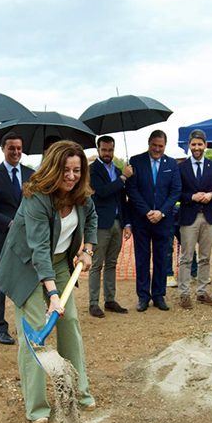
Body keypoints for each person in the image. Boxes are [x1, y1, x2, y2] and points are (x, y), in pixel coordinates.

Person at [0, 140, 97, 423]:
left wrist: (87, 249)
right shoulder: (36, 198)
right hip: (27, 266)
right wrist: (53, 294)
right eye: (66, 170)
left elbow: (91, 218)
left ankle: (79, 392)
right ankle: (37, 406)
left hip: (61, 261)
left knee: (70, 323)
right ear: (54, 168)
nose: (72, 176)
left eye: (77, 170)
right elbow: (39, 249)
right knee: (35, 332)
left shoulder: (81, 195)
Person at [0, 132, 34, 345]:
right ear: (3, 149)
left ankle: (29, 324)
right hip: (1, 239)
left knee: (28, 282)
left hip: (28, 239)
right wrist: (8, 223)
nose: (16, 152)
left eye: (19, 148)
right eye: (11, 148)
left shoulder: (32, 175)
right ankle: (0, 329)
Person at [125, 129, 181, 312]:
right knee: (142, 259)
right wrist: (147, 211)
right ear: (149, 143)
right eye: (154, 145)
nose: (157, 149)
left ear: (165, 145)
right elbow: (132, 190)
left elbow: (175, 191)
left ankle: (159, 295)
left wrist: (161, 212)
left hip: (163, 221)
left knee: (161, 259)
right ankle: (143, 297)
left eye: (161, 146)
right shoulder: (136, 161)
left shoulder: (172, 164)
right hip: (142, 220)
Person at [177, 129, 212, 309]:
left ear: (205, 145)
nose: (197, 147)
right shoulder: (181, 168)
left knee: (205, 257)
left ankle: (202, 292)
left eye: (200, 144)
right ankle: (184, 294)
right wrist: (191, 197)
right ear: (189, 146)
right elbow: (177, 193)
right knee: (186, 258)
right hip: (189, 217)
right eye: (193, 144)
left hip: (209, 217)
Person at [87, 135, 132, 318]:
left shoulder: (119, 169)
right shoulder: (92, 170)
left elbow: (123, 200)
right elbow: (103, 192)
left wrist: (127, 223)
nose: (107, 153)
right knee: (96, 264)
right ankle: (93, 303)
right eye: (104, 150)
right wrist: (122, 178)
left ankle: (110, 300)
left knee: (112, 263)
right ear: (98, 150)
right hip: (100, 223)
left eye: (110, 150)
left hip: (117, 222)